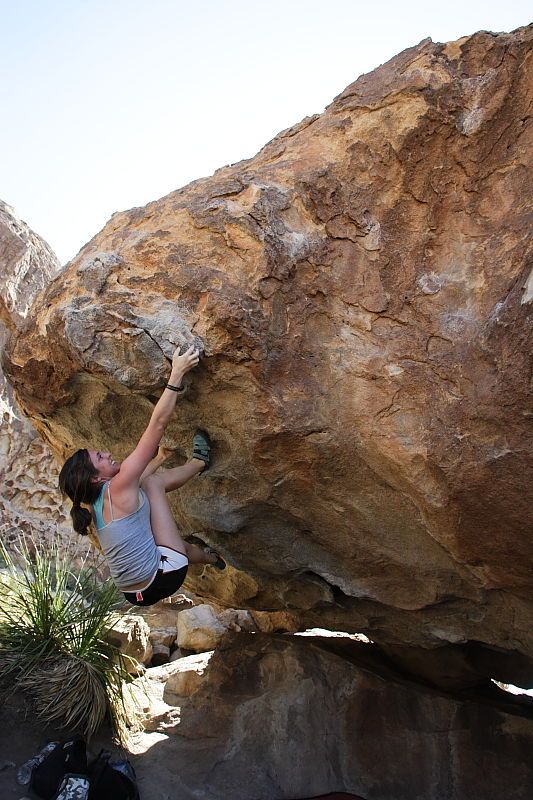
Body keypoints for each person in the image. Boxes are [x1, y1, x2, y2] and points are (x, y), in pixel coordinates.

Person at [59, 343, 225, 607]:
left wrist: (158, 459)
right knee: (154, 484)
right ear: (95, 478)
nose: (106, 453)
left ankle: (210, 558)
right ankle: (198, 462)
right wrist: (177, 374)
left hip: (134, 593)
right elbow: (157, 425)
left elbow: (134, 484)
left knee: (170, 539)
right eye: (99, 457)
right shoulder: (118, 487)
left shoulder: (96, 503)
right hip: (163, 576)